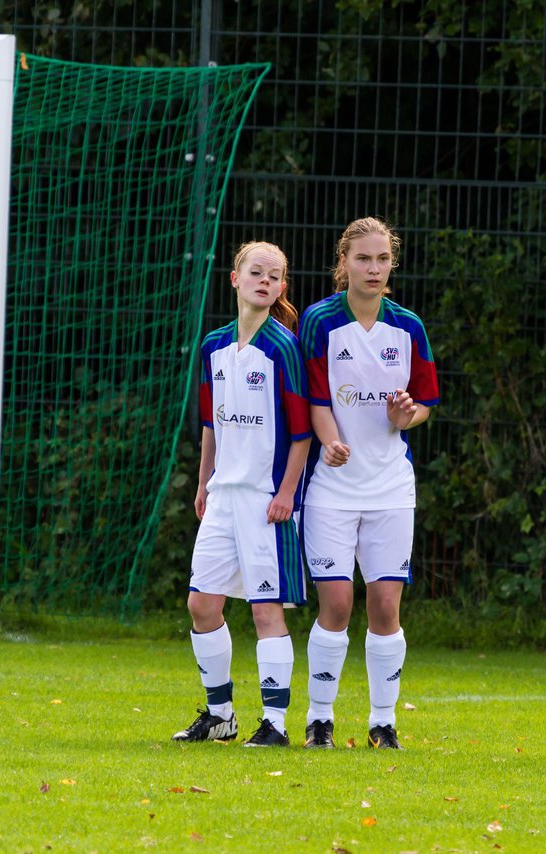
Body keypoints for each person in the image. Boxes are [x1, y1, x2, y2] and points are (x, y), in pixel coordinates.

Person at [297, 217, 439, 750]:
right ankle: (319, 721)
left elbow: (422, 403)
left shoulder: (409, 327)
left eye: (382, 259)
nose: (374, 269)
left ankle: (383, 723)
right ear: (344, 264)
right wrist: (330, 441)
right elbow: (314, 397)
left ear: (391, 264)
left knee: (385, 607)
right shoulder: (319, 321)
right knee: (335, 605)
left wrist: (408, 415)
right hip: (331, 488)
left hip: (390, 489)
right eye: (363, 259)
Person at [172, 241, 311, 748]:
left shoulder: (283, 347)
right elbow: (211, 422)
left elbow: (302, 432)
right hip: (223, 496)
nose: (265, 281)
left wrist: (287, 493)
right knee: (201, 604)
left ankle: (274, 725)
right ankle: (220, 715)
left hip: (265, 500)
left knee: (264, 610)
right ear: (235, 279)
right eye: (257, 272)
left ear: (280, 289)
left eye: (275, 276)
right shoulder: (213, 346)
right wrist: (206, 480)